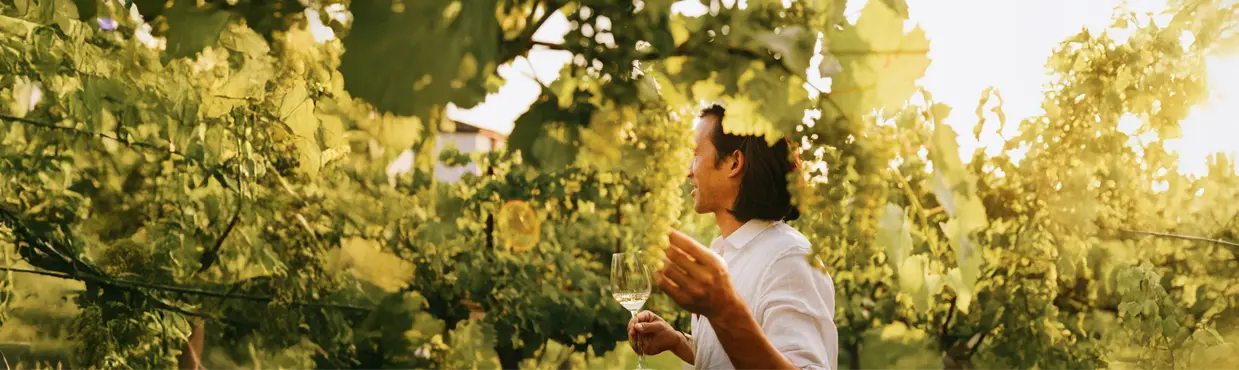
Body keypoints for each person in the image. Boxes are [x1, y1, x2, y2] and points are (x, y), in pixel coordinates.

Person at [627, 105, 838, 370]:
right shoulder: (726, 252)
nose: (688, 172)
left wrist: (723, 310)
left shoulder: (790, 259)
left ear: (734, 163)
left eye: (695, 155)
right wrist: (680, 342)